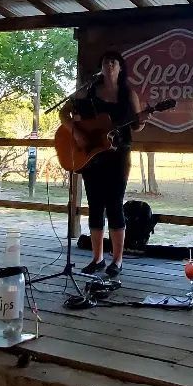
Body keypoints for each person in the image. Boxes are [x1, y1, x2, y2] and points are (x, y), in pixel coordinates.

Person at [59, 51, 143, 279]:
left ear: (121, 67)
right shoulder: (89, 91)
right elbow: (63, 113)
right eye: (106, 61)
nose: (110, 65)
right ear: (101, 67)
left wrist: (141, 122)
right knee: (95, 205)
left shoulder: (128, 95)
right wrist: (75, 133)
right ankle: (97, 258)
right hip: (92, 155)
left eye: (114, 62)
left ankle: (117, 260)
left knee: (114, 204)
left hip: (118, 156)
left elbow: (136, 127)